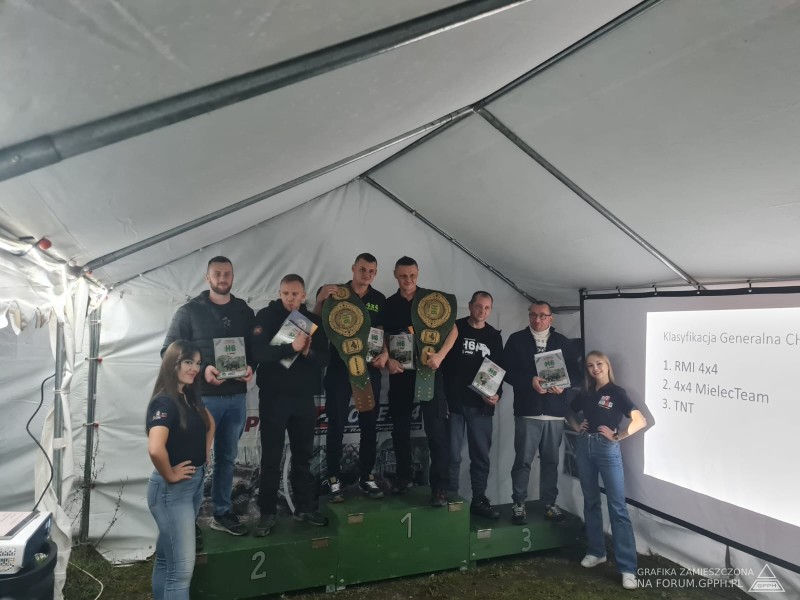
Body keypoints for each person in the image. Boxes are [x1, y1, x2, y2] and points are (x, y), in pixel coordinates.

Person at [162, 256, 254, 536]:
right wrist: (202, 372)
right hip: (201, 399)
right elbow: (168, 352)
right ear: (208, 277)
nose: (222, 278)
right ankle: (187, 522)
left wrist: (252, 367)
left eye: (227, 274)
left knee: (228, 458)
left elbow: (255, 349)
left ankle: (222, 513)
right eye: (217, 274)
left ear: (233, 277)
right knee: (194, 459)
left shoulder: (244, 311)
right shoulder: (189, 312)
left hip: (236, 398)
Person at [250, 274, 330, 536]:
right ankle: (267, 513)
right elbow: (258, 353)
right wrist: (290, 347)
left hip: (303, 399)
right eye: (285, 293)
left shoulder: (313, 321)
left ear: (304, 295)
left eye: (295, 294)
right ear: (280, 293)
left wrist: (307, 352)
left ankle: (304, 508)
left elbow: (324, 359)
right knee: (271, 458)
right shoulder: (266, 316)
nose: (290, 298)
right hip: (273, 398)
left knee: (303, 456)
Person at [566, 351, 647, 591]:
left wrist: (618, 436)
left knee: (617, 507)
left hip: (607, 450)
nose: (595, 369)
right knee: (591, 501)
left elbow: (640, 421)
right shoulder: (586, 393)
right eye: (590, 365)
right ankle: (596, 551)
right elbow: (569, 412)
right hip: (585, 447)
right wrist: (577, 426)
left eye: (599, 364)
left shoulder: (617, 392)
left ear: (607, 365)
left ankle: (627, 568)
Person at [314, 253, 388, 502]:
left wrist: (385, 354)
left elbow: (383, 332)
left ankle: (367, 477)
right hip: (339, 368)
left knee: (369, 425)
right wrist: (320, 300)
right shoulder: (335, 293)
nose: (367, 274)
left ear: (376, 273)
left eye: (372, 271)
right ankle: (333, 478)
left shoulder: (379, 299)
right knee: (336, 424)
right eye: (363, 269)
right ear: (353, 268)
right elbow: (316, 324)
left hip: (368, 370)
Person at [383, 256, 457, 507]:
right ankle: (404, 478)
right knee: (400, 430)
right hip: (401, 373)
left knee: (436, 431)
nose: (408, 280)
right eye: (403, 275)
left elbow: (453, 329)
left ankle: (440, 488)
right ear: (395, 275)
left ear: (418, 273)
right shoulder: (389, 304)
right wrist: (387, 359)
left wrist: (441, 355)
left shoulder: (431, 299)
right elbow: (381, 335)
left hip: (429, 372)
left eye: (412, 275)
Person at [146, 340, 215, 600]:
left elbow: (210, 424)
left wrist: (204, 453)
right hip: (171, 493)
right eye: (188, 362)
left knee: (167, 560)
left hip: (191, 487)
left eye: (197, 363)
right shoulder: (165, 402)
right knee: (181, 572)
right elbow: (155, 448)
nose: (194, 368)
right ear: (172, 363)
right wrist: (170, 474)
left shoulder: (187, 395)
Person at [504, 301, 580, 525]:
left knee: (550, 462)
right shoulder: (516, 340)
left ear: (550, 318)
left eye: (542, 315)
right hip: (528, 411)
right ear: (529, 316)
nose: (537, 319)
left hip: (555, 413)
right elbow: (506, 371)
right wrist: (529, 381)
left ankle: (550, 503)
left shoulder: (562, 342)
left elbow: (576, 374)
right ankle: (518, 503)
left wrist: (564, 385)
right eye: (533, 315)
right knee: (523, 461)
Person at [442, 291, 504, 519]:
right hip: (454, 404)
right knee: (452, 455)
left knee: (480, 456)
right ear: (469, 306)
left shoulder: (494, 336)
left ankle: (479, 499)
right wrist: (443, 399)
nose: (482, 311)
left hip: (481, 406)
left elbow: (499, 370)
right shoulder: (455, 328)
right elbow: (442, 366)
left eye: (487, 308)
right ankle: (451, 498)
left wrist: (496, 394)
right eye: (479, 306)